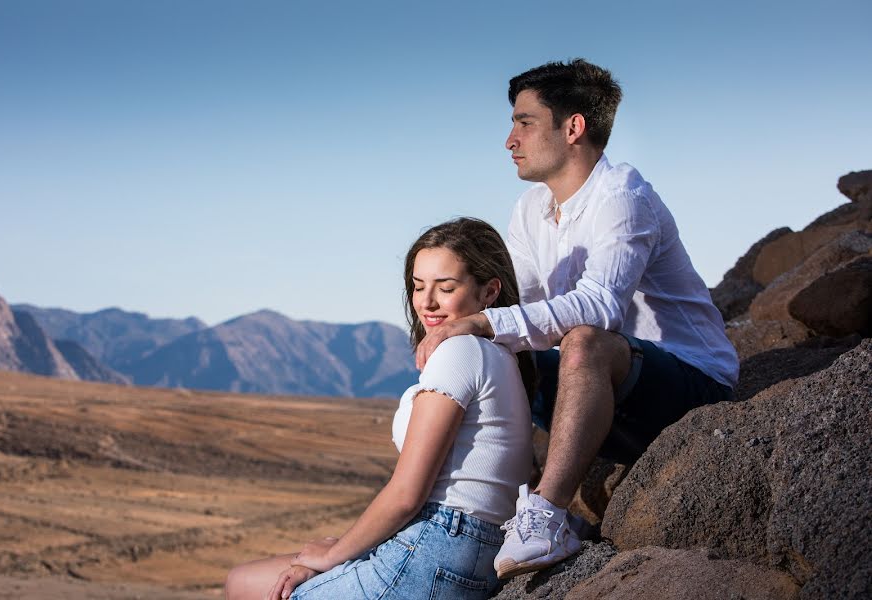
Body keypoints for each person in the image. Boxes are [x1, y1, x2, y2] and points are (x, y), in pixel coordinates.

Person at [415, 59, 740, 579]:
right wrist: (459, 328)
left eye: (524, 122)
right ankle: (475, 509)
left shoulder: (624, 197)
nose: (509, 140)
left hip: (690, 388)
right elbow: (519, 308)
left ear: (573, 127)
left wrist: (481, 323)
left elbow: (599, 307)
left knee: (583, 340)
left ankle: (545, 516)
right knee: (493, 349)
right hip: (608, 403)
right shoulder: (530, 209)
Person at [225, 217, 535, 600]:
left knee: (282, 590)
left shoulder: (460, 351)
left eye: (446, 287)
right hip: (464, 546)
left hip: (440, 542)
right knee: (242, 582)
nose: (427, 302)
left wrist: (335, 554)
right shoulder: (502, 357)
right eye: (418, 286)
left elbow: (408, 494)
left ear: (489, 292)